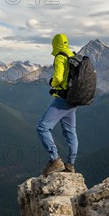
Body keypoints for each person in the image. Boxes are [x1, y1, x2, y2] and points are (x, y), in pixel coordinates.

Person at [36, 33, 78, 176]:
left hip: (62, 100)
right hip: (73, 100)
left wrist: (52, 82)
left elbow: (59, 77)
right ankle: (70, 164)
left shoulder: (60, 57)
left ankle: (55, 160)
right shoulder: (72, 55)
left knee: (42, 127)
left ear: (55, 44)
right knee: (70, 132)